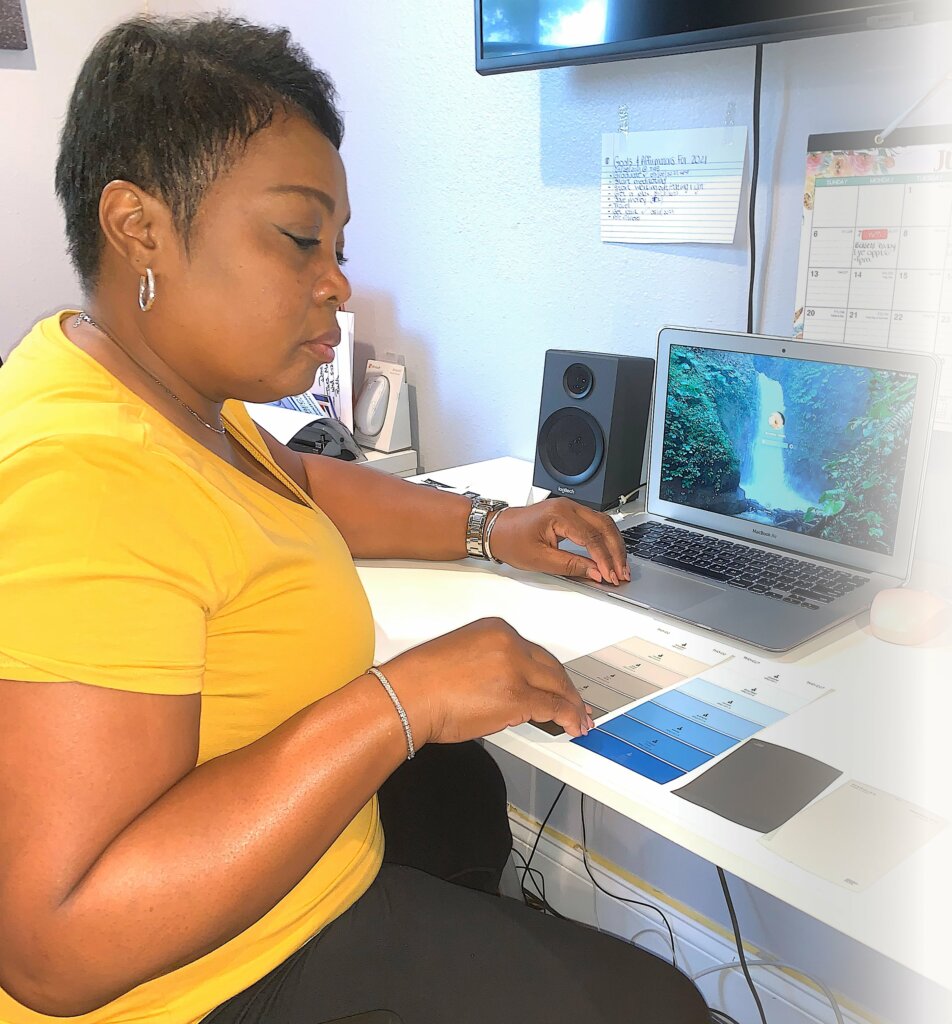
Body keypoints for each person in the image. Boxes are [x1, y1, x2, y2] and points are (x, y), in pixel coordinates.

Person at [0, 16, 709, 1024]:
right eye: (300, 239)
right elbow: (57, 944)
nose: (335, 280)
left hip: (298, 886)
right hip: (207, 984)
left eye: (338, 247)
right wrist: (401, 700)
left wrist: (488, 526)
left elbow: (299, 482)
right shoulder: (81, 472)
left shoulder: (152, 387)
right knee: (652, 1006)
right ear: (138, 228)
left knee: (460, 799)